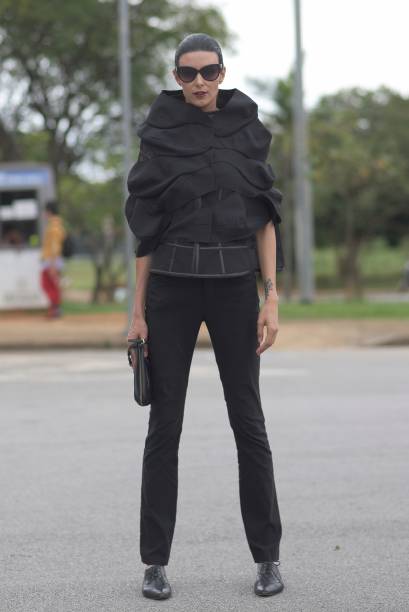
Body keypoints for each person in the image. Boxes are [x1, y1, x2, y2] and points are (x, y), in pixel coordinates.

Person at [125, 33, 285, 600]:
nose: (198, 81)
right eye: (188, 73)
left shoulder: (246, 130)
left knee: (249, 422)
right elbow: (146, 233)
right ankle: (155, 563)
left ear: (223, 72)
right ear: (176, 75)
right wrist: (138, 312)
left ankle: (267, 558)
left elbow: (265, 216)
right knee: (164, 426)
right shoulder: (160, 136)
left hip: (235, 289)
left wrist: (271, 295)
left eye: (209, 71)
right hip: (171, 287)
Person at [40, 201, 66, 319]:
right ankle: (54, 309)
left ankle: (55, 309)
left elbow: (55, 246)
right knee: (51, 285)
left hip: (52, 260)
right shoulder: (55, 224)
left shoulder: (54, 226)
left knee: (48, 284)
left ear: (49, 211)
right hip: (52, 259)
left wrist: (52, 265)